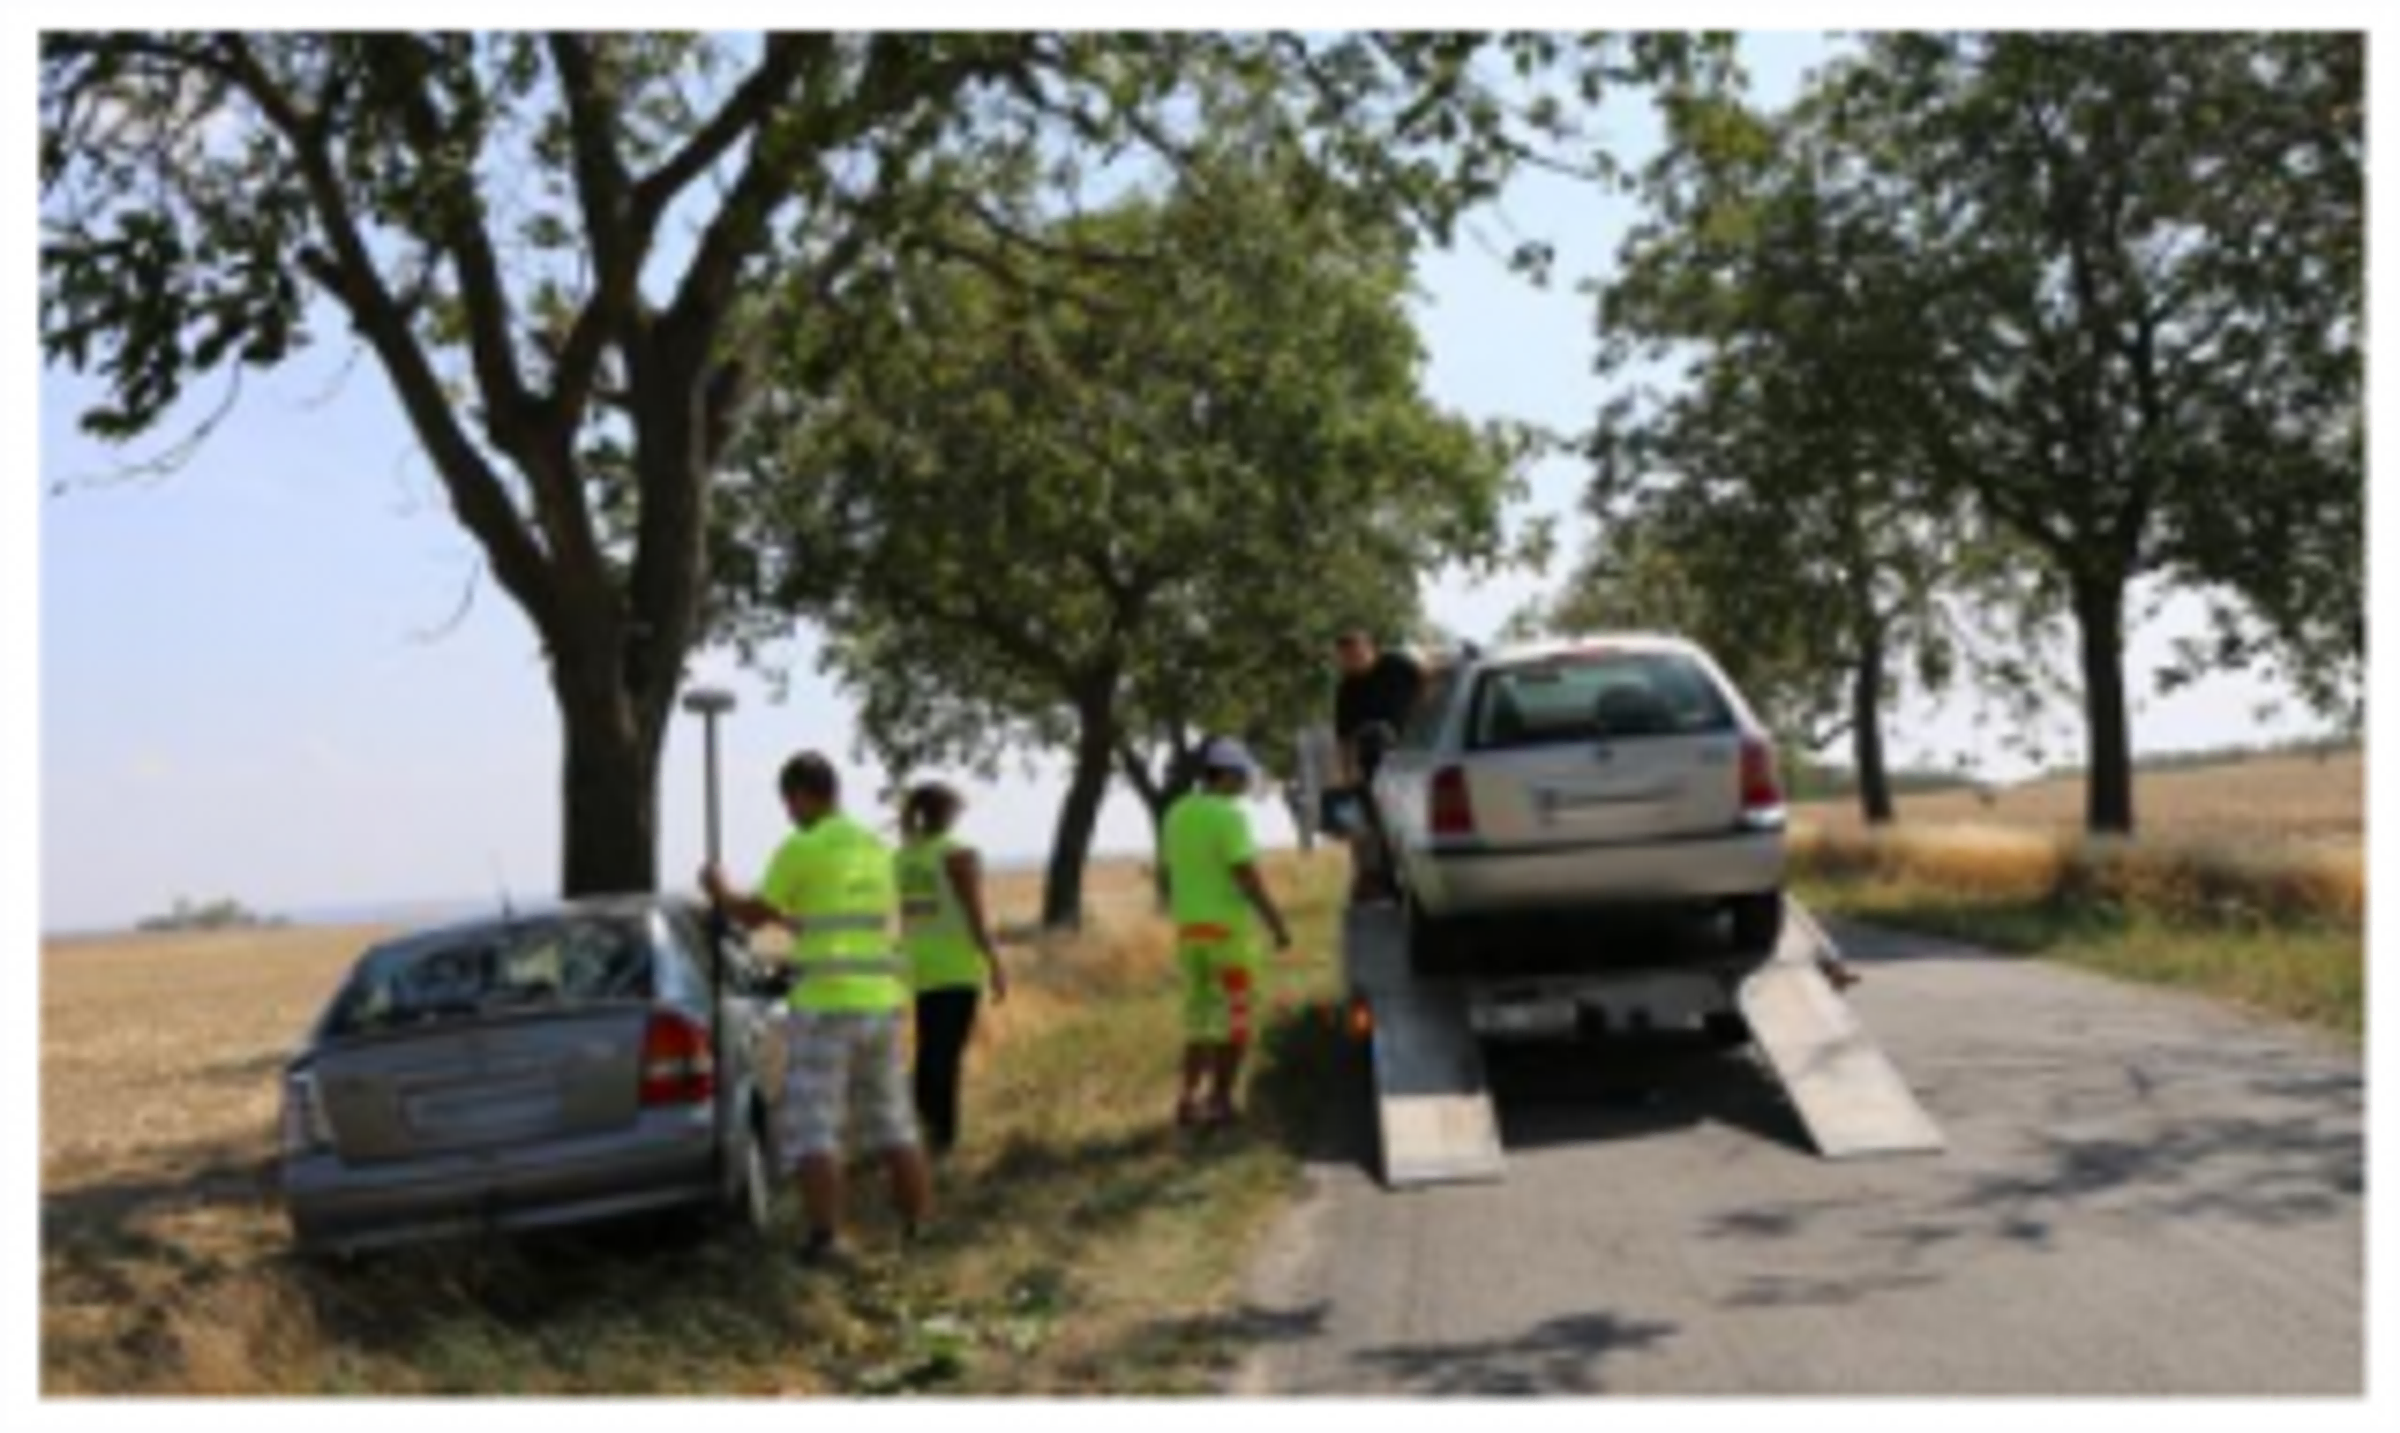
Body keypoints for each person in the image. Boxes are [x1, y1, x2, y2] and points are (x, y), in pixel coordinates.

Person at [701, 752, 932, 1267]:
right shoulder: (874, 848)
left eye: (788, 802)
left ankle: (826, 1241)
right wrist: (796, 921)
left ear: (801, 795)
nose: (788, 813)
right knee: (895, 1123)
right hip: (880, 1003)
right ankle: (917, 1228)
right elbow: (837, 920)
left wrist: (720, 893)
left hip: (827, 1005)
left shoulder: (802, 846)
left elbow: (754, 915)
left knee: (812, 1126)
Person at [1161, 736, 1293, 1131]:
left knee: (1200, 1019)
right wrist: (1276, 923)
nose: (1246, 785)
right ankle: (1220, 1102)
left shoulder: (1176, 812)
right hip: (1227, 935)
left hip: (1189, 933)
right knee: (1235, 1021)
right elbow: (1245, 874)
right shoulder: (1229, 815)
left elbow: (1172, 871)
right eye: (1243, 777)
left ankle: (1187, 1100)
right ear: (1228, 774)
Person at [895, 781, 1008, 1158]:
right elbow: (976, 915)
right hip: (956, 965)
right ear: (948, 812)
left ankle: (924, 1129)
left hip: (920, 965)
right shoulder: (958, 854)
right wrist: (995, 962)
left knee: (929, 1050)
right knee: (945, 1054)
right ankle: (941, 1137)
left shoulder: (904, 857)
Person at [1332, 627, 1423, 903]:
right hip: (1374, 764)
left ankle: (1417, 876)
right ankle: (1388, 882)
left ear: (1370, 649)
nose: (1352, 661)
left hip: (1411, 755)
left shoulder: (1395, 665)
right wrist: (1347, 776)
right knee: (1378, 826)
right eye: (1346, 657)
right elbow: (1344, 738)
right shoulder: (1347, 688)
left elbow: (1429, 677)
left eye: (1356, 654)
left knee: (1413, 820)